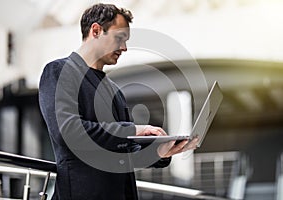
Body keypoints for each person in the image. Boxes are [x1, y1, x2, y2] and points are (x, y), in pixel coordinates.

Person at [39, 3, 199, 200]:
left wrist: (160, 152)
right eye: (119, 38)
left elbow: (124, 153)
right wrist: (133, 130)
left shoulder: (114, 90)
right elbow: (69, 132)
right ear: (96, 31)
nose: (124, 48)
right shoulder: (58, 72)